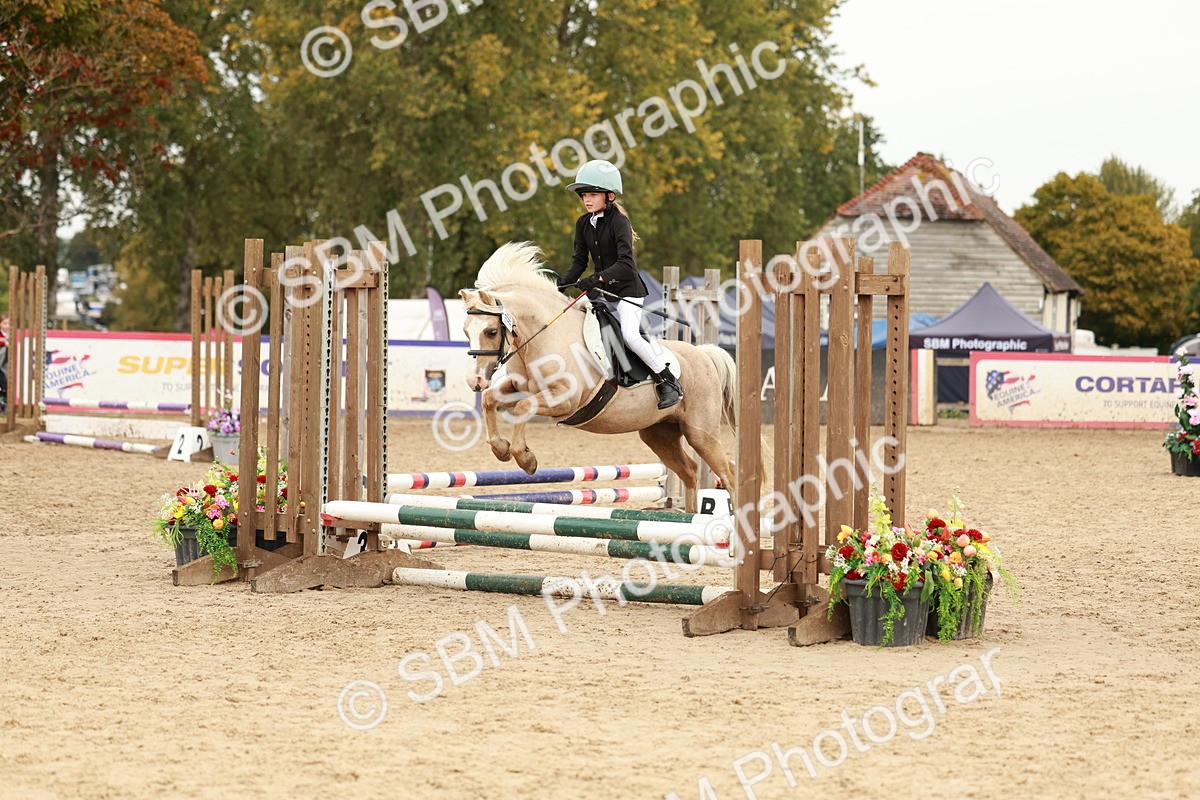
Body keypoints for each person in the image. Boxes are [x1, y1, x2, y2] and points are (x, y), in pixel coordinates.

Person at [558, 159, 683, 409]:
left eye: (593, 194)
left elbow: (626, 264)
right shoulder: (583, 223)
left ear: (610, 196)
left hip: (627, 290)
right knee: (569, 317)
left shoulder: (619, 223)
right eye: (584, 195)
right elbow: (580, 261)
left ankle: (667, 381)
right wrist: (564, 280)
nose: (587, 199)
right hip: (602, 291)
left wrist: (597, 278)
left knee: (630, 336)